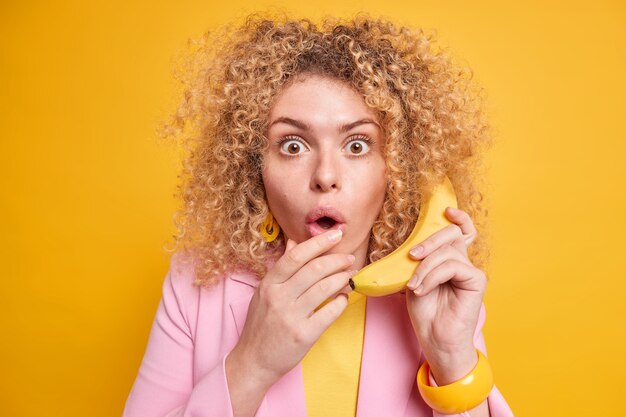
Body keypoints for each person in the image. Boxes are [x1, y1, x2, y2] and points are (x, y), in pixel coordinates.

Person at [122, 11, 515, 417]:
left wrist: (452, 359)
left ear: (396, 170)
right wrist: (251, 365)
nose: (326, 176)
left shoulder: (433, 293)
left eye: (358, 145)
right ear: (253, 169)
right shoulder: (194, 287)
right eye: (293, 145)